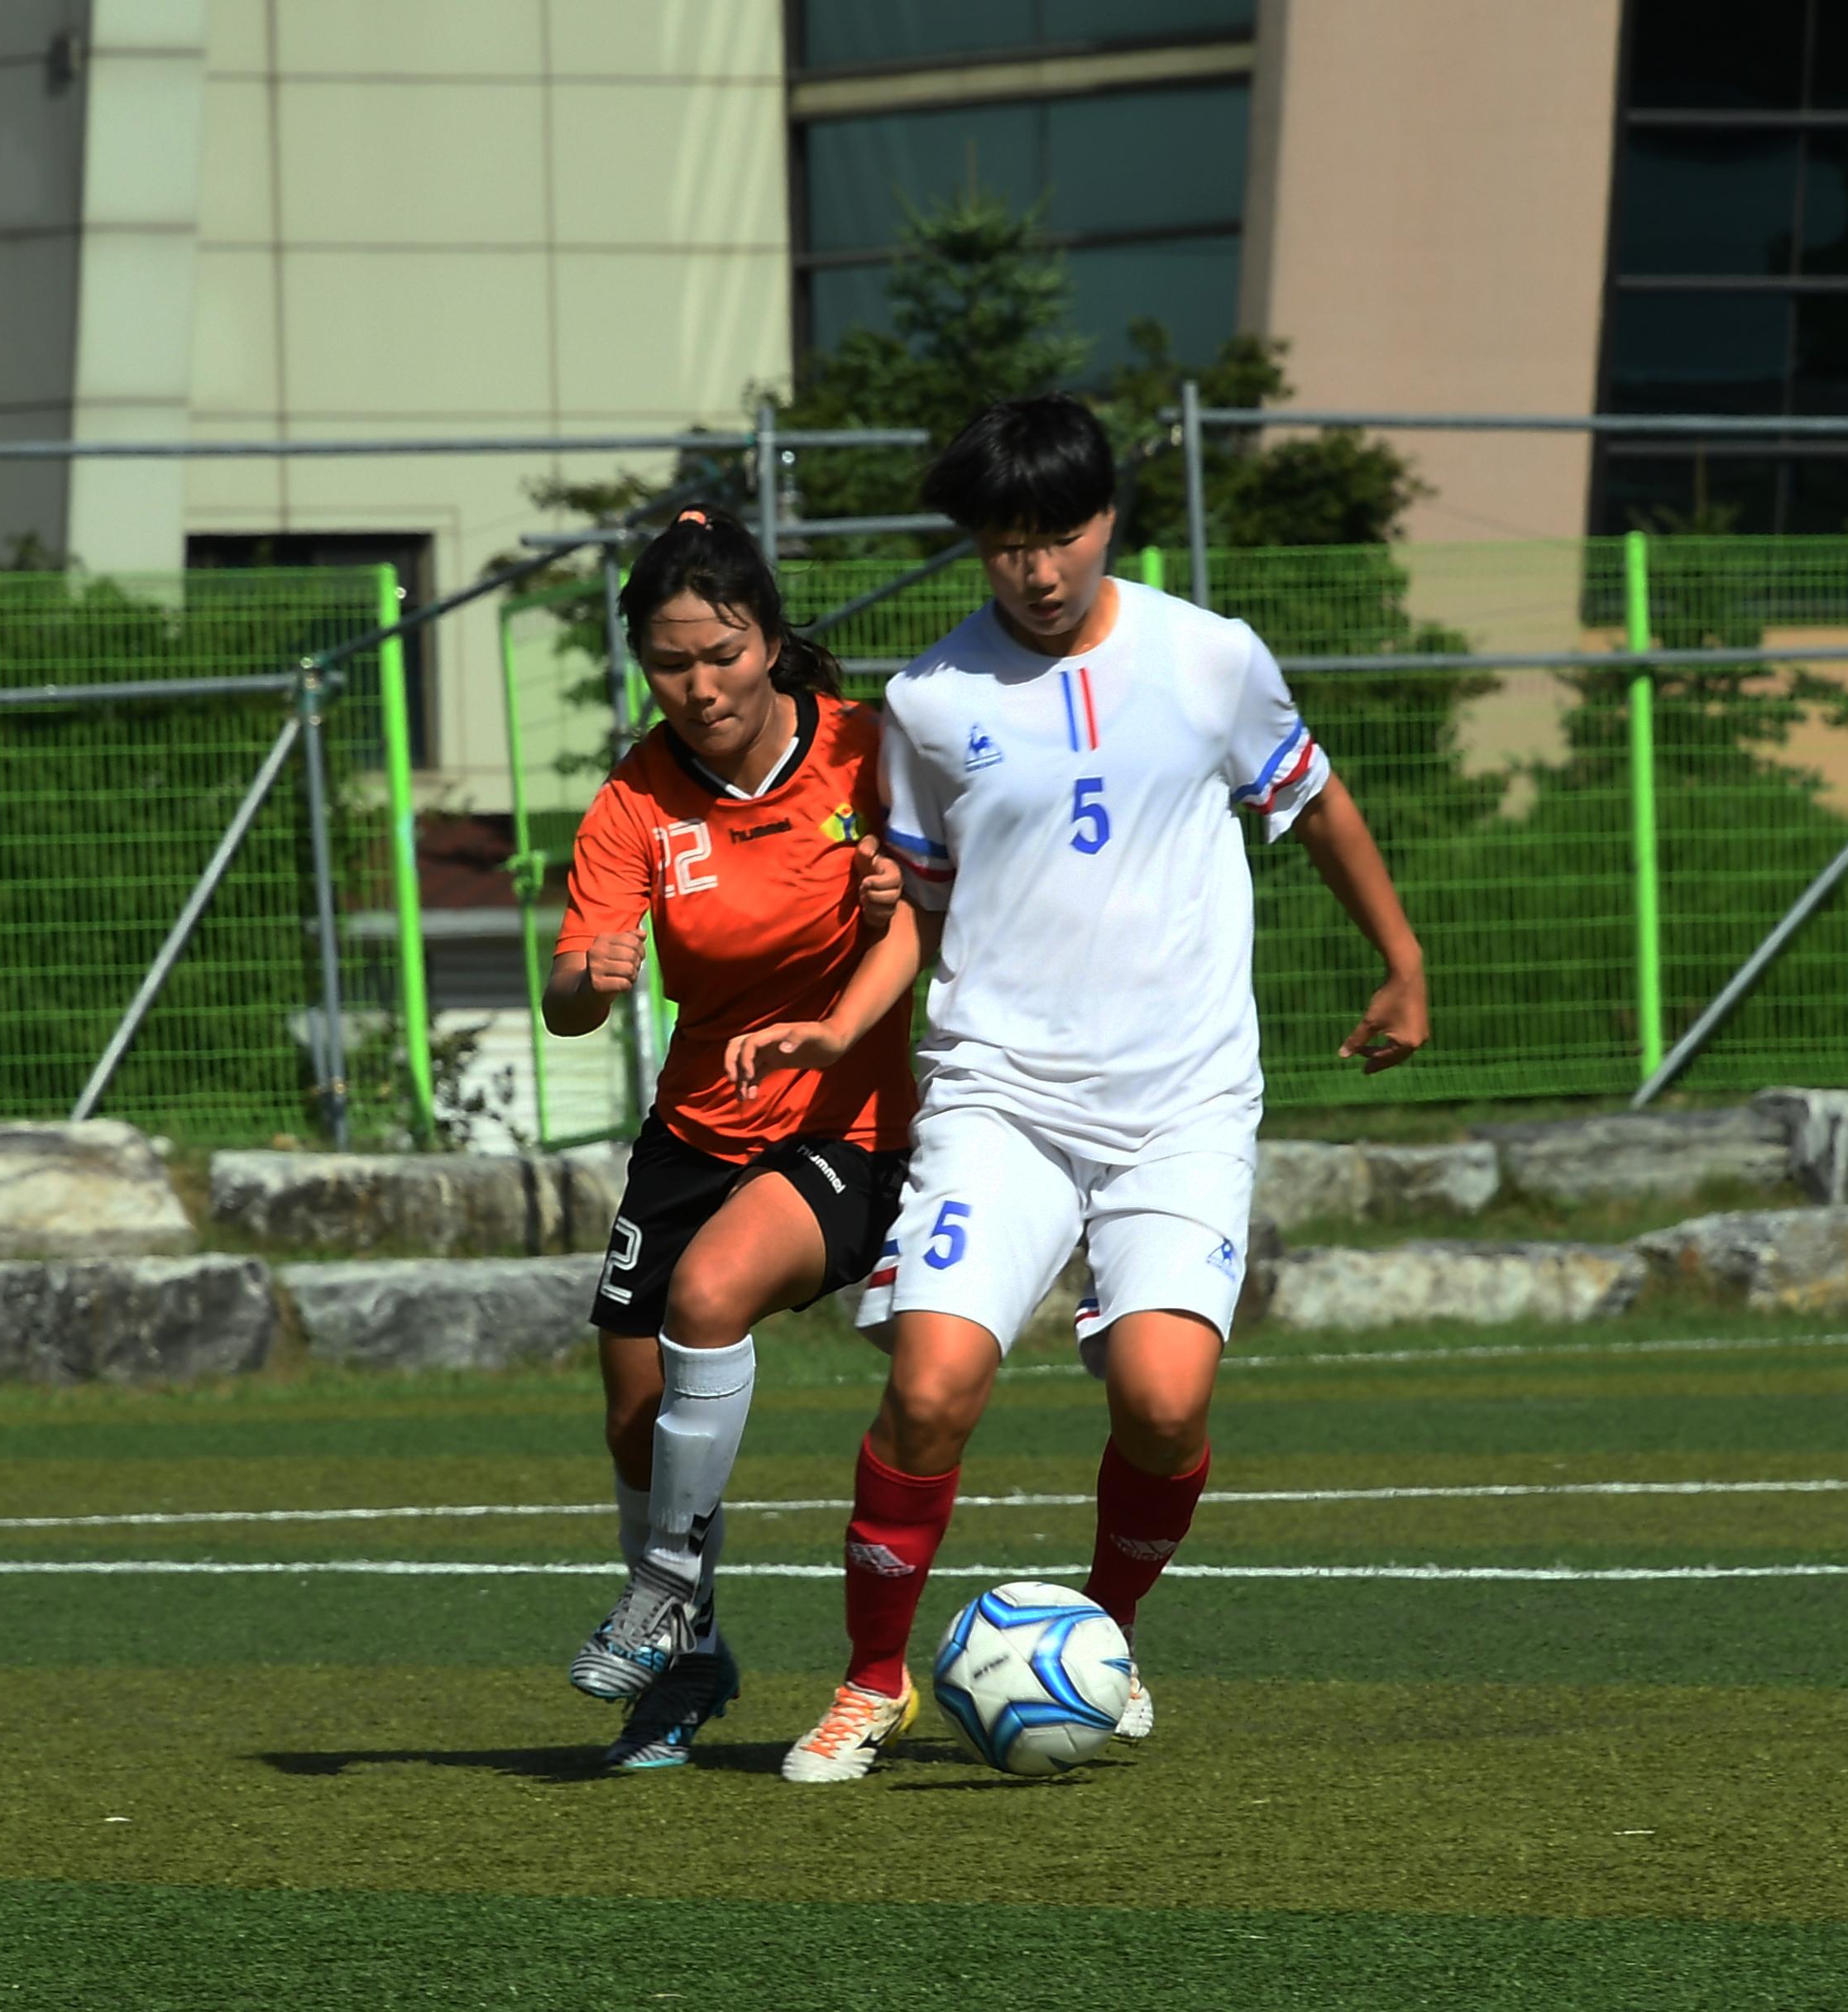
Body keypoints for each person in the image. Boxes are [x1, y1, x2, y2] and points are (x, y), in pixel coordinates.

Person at [779, 395, 1429, 1783]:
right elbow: (918, 909)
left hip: (1181, 1103)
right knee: (934, 1387)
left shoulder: (1210, 658)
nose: (1039, 568)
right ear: (977, 547)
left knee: (1164, 1402)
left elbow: (1313, 802)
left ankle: (1105, 1637)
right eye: (1009, 543)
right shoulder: (929, 702)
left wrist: (1401, 959)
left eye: (1062, 534)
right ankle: (869, 1679)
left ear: (1107, 519)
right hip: (1000, 1096)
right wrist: (843, 1026)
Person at [547, 507, 922, 1770]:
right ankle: (694, 1659)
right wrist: (588, 979)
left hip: (847, 1119)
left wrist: (901, 887)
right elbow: (564, 1001)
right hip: (694, 1125)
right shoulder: (633, 803)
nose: (700, 686)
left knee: (708, 1293)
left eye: (723, 652)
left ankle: (655, 1595)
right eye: (669, 661)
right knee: (631, 1418)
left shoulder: (870, 752)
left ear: (770, 639)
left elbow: (959, 894)